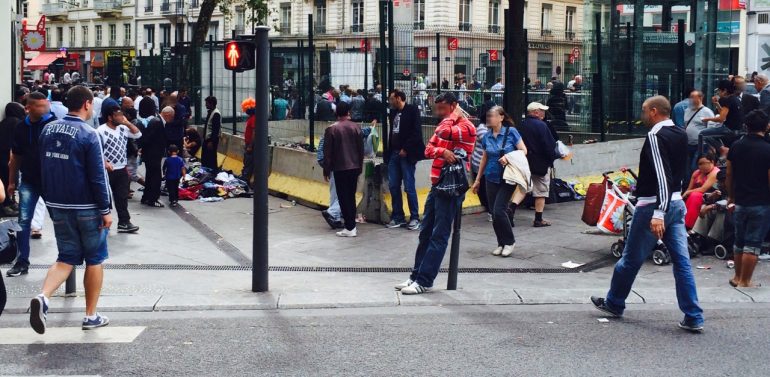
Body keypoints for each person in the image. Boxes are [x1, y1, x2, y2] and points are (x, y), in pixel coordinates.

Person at [591, 95, 704, 333]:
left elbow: (663, 175)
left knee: (630, 260)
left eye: (644, 110)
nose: (642, 115)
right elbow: (680, 173)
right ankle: (693, 314)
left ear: (654, 111)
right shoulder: (680, 133)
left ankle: (614, 302)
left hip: (654, 205)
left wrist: (658, 213)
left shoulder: (655, 136)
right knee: (682, 262)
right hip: (675, 203)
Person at [31, 85, 113, 334]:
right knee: (95, 259)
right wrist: (106, 209)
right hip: (87, 206)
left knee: (66, 257)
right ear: (88, 104)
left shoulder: (47, 129)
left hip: (58, 204)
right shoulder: (89, 134)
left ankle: (44, 297)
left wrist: (49, 199)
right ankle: (90, 316)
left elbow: (41, 167)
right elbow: (98, 176)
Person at [395, 92, 476, 295]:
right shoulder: (449, 123)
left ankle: (424, 280)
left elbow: (443, 133)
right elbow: (429, 148)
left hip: (451, 186)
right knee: (425, 232)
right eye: (437, 108)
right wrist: (443, 151)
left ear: (454, 106)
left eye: (443, 109)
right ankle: (416, 276)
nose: (438, 113)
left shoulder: (466, 126)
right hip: (437, 183)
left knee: (439, 234)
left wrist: (452, 119)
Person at [6, 92, 56, 277]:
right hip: (28, 180)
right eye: (41, 106)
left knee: (58, 219)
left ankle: (66, 261)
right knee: (23, 221)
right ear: (28, 108)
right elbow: (16, 156)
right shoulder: (21, 128)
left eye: (46, 105)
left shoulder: (54, 124)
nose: (45, 109)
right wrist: (12, 181)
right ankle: (21, 262)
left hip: (51, 181)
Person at [472, 106, 527, 257]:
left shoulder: (511, 132)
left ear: (501, 117)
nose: (490, 119)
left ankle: (510, 242)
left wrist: (508, 157)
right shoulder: (486, 136)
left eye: (493, 116)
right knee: (493, 213)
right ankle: (501, 243)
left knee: (499, 210)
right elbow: (484, 157)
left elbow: (524, 150)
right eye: (488, 116)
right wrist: (478, 180)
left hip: (508, 177)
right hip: (490, 177)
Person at [726, 109, 770, 288]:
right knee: (753, 243)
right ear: (766, 126)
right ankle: (746, 281)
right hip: (761, 201)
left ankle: (737, 277)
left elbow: (729, 173)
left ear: (746, 126)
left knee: (739, 241)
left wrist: (731, 196)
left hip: (740, 200)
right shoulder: (768, 149)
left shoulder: (736, 146)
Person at [321, 102, 364, 237]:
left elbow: (328, 153)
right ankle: (352, 226)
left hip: (340, 168)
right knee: (350, 196)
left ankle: (349, 227)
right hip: (354, 167)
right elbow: (360, 150)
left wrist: (326, 170)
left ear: (336, 113)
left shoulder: (331, 129)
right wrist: (360, 166)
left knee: (343, 197)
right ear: (348, 113)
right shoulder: (356, 127)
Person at [97, 105, 142, 233]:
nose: (121, 117)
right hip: (107, 170)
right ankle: (103, 220)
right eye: (118, 115)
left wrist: (127, 123)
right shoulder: (100, 131)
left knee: (122, 197)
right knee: (105, 197)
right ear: (110, 117)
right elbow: (97, 149)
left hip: (122, 169)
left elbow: (138, 134)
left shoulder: (123, 128)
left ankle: (124, 222)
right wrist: (104, 162)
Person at [385, 89, 424, 231]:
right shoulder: (393, 112)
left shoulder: (412, 110)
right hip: (394, 153)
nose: (390, 101)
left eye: (392, 99)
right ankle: (398, 216)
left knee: (409, 186)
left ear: (399, 98)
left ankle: (414, 217)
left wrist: (406, 148)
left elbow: (416, 133)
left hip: (407, 154)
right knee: (394, 185)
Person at [518, 102, 558, 227]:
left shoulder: (521, 125)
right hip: (540, 164)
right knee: (541, 191)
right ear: (535, 112)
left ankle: (512, 208)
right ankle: (538, 219)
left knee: (523, 188)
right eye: (542, 110)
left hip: (524, 162)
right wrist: (552, 159)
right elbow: (549, 146)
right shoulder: (542, 126)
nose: (543, 113)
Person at [138, 97, 166, 208]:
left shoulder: (142, 121)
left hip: (147, 152)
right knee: (155, 176)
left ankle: (146, 196)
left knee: (149, 174)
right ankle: (153, 198)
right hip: (155, 153)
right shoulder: (155, 121)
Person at [0, 103, 25, 218]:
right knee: (9, 182)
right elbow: (13, 144)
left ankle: (8, 203)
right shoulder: (17, 123)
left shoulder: (4, 122)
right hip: (8, 157)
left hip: (2, 156)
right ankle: (6, 206)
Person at [683, 153, 719, 230]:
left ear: (712, 162)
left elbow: (703, 189)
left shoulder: (715, 172)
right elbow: (689, 189)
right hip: (695, 195)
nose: (702, 166)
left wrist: (688, 192)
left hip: (711, 197)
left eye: (704, 163)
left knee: (695, 195)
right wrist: (684, 195)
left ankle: (689, 225)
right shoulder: (697, 172)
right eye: (700, 164)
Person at [683, 90, 716, 169]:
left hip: (701, 145)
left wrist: (711, 146)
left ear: (700, 98)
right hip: (688, 144)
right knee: (687, 168)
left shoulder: (707, 112)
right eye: (690, 97)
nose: (690, 99)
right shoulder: (687, 111)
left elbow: (711, 129)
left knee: (695, 167)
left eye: (693, 97)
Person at [471, 120, 491, 221]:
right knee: (483, 189)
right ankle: (490, 211)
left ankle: (491, 210)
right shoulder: (482, 128)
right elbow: (490, 143)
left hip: (489, 164)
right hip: (479, 163)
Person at [202, 96, 222, 171]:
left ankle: (212, 172)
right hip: (207, 139)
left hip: (211, 140)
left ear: (211, 104)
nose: (205, 105)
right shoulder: (210, 112)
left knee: (211, 158)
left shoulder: (216, 113)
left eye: (207, 103)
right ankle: (206, 172)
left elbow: (215, 129)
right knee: (205, 157)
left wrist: (211, 142)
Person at [241, 98, 256, 183]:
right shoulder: (252, 118)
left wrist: (250, 145)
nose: (245, 111)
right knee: (247, 162)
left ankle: (245, 179)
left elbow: (254, 132)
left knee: (248, 162)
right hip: (249, 144)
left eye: (246, 109)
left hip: (251, 145)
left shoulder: (253, 118)